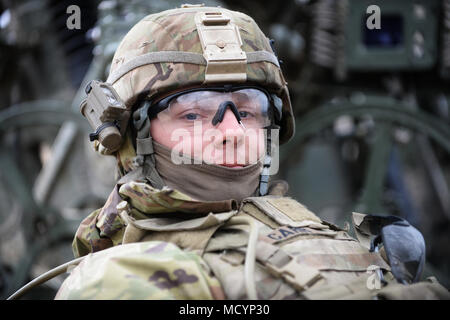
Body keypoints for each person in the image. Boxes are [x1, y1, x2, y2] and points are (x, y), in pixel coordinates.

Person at [55, 5, 449, 300]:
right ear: (130, 132)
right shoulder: (118, 279)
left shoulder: (294, 221)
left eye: (247, 110)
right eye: (194, 114)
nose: (232, 131)